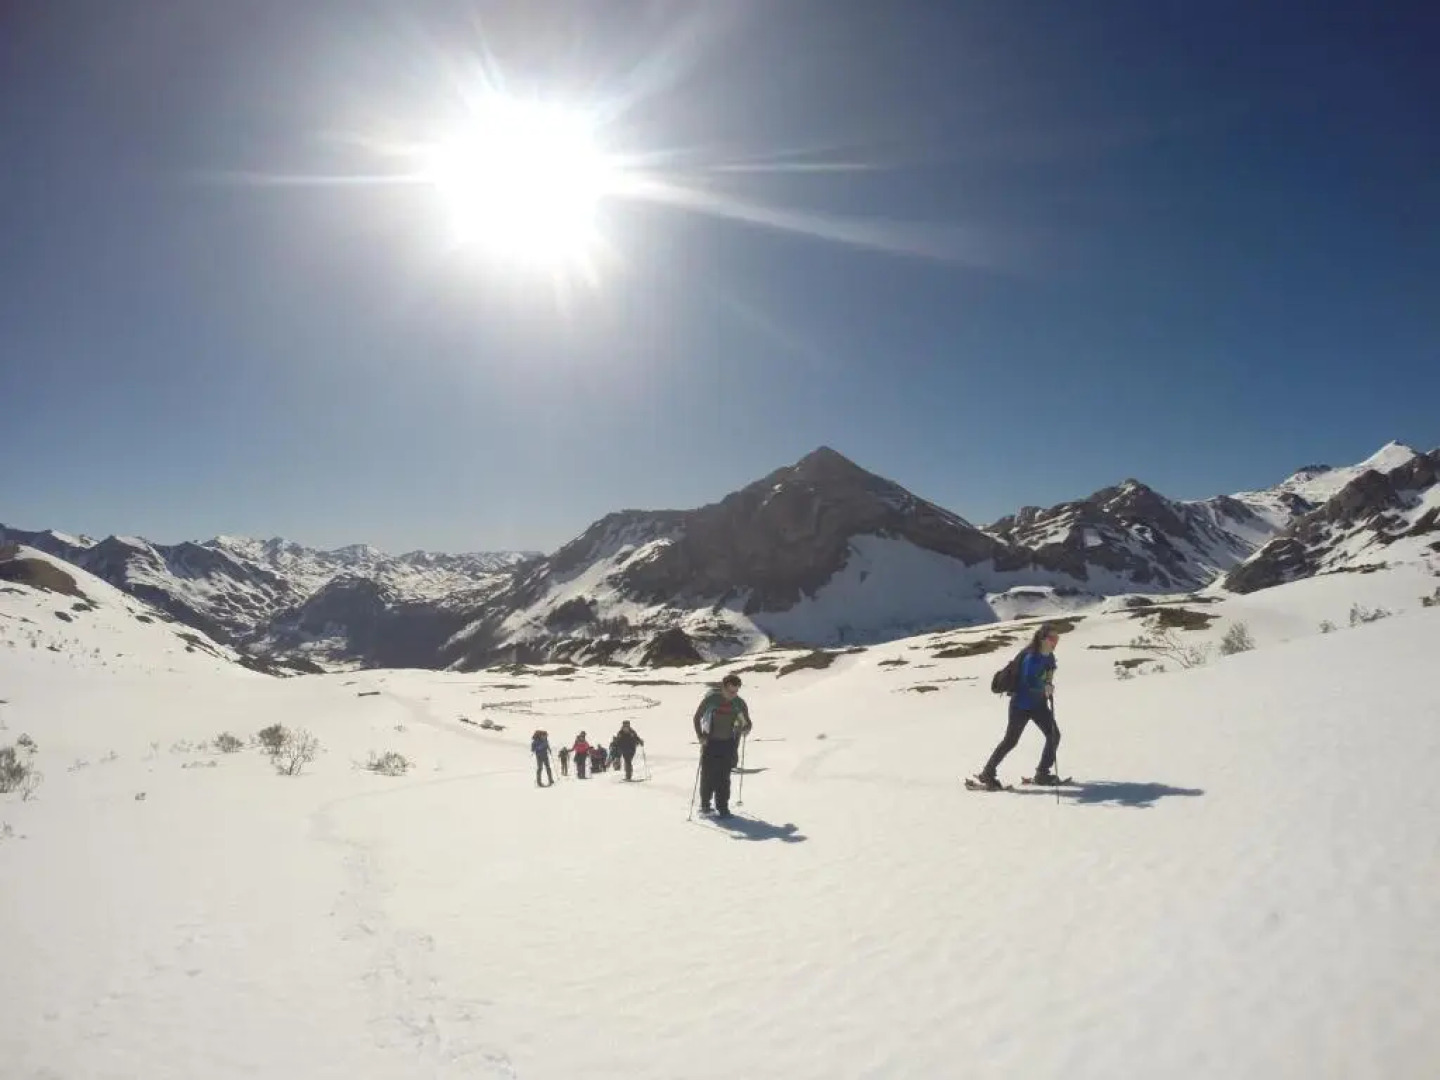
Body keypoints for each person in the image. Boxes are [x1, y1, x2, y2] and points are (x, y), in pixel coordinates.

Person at [977, 623, 1061, 788]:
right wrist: (1044, 687)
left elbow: (1048, 674)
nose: (1055, 641)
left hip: (1038, 705)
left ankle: (1042, 773)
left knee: (1054, 735)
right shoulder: (1031, 657)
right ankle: (988, 773)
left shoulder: (1049, 657)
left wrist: (1048, 685)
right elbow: (1029, 681)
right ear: (1043, 639)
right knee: (1010, 741)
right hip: (1020, 706)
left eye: (1057, 638)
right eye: (1052, 638)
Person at [692, 674, 752, 817]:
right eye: (731, 691)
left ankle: (723, 807)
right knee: (708, 775)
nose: (733, 695)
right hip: (710, 742)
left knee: (724, 777)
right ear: (723, 688)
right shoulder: (711, 700)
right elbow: (697, 717)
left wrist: (746, 728)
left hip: (729, 743)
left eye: (736, 691)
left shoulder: (739, 703)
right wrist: (700, 736)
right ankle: (705, 805)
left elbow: (747, 722)